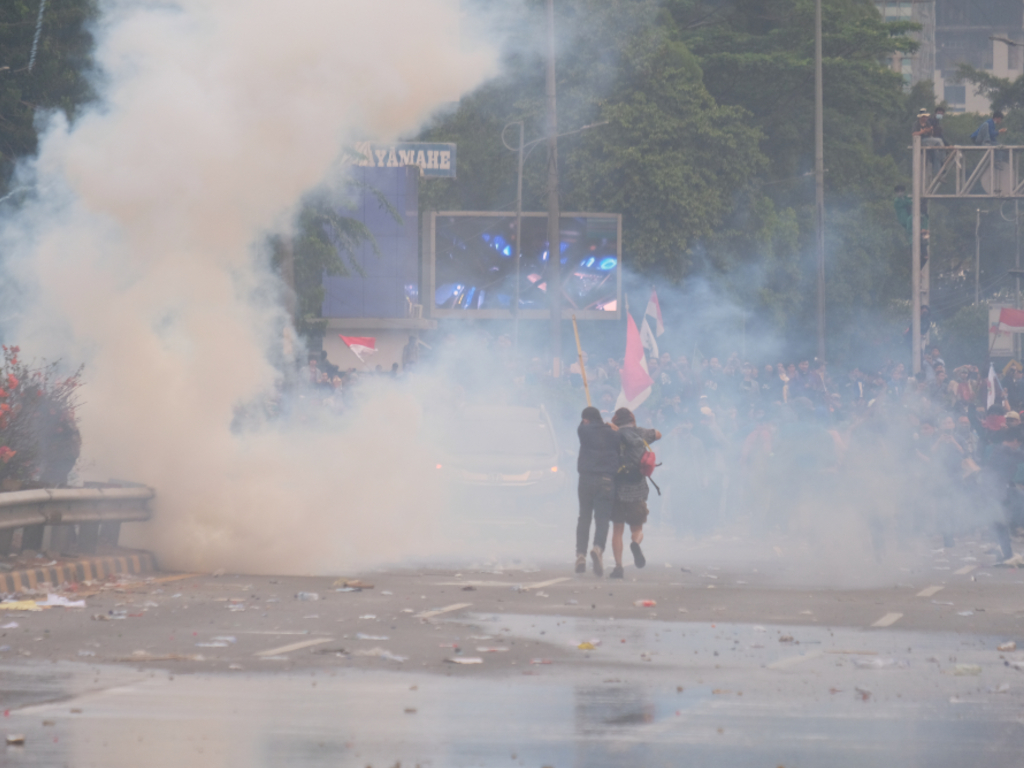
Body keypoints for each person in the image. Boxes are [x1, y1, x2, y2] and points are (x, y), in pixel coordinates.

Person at [608, 407, 661, 579]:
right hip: (637, 488)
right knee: (637, 528)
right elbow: (659, 434)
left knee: (617, 529)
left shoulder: (611, 435)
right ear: (632, 420)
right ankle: (635, 543)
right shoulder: (640, 432)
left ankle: (618, 566)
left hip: (616, 489)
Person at [575, 406, 620, 576]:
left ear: (586, 419)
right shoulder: (614, 433)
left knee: (584, 517)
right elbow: (618, 443)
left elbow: (582, 427)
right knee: (602, 519)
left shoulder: (583, 432)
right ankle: (598, 548)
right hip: (606, 479)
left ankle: (580, 554)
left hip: (586, 479)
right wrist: (611, 428)